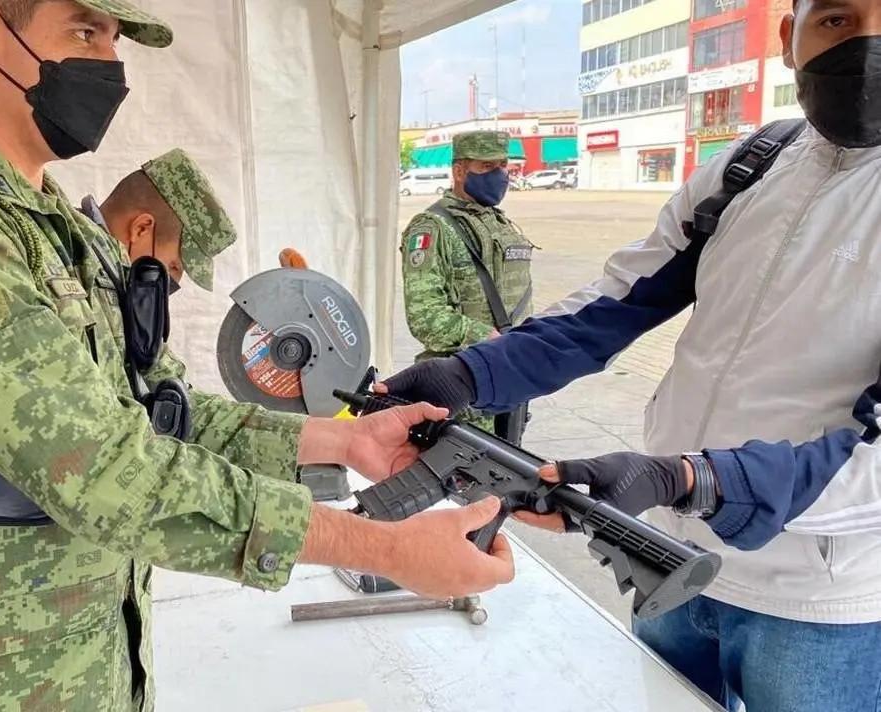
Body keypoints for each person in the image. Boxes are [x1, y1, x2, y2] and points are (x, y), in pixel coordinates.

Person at [0, 1, 516, 710]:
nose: (112, 65)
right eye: (86, 31)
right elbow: (104, 468)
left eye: (115, 41)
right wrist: (383, 548)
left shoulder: (59, 231)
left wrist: (339, 437)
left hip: (89, 660)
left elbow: (157, 412)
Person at [378, 3, 881, 710]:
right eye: (836, 18)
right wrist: (469, 374)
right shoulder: (749, 167)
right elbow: (610, 307)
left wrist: (689, 478)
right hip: (668, 562)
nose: (865, 46)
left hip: (825, 604)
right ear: (788, 40)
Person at [398, 130, 535, 444]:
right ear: (459, 171)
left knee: (506, 476)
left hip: (508, 378)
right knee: (467, 486)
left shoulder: (498, 223)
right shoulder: (432, 227)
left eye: (503, 165)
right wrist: (487, 336)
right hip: (465, 387)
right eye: (486, 167)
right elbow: (426, 319)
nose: (500, 174)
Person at [79, 147, 232, 294]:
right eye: (173, 266)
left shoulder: (103, 280)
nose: (174, 281)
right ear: (141, 229)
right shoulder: (68, 266)